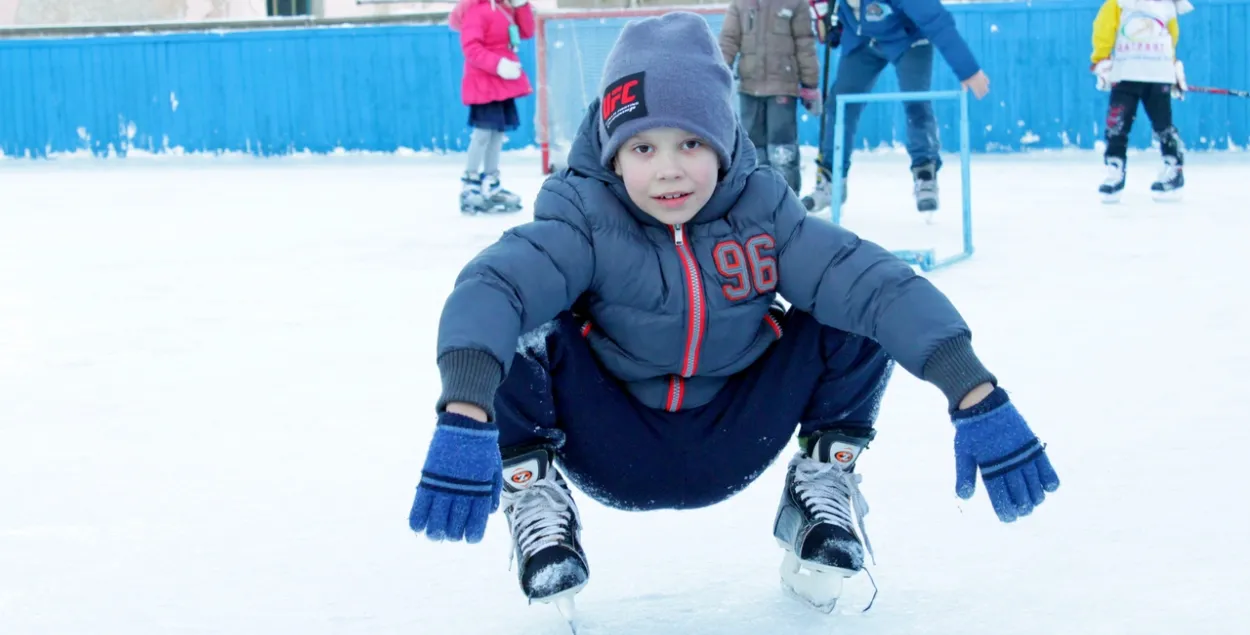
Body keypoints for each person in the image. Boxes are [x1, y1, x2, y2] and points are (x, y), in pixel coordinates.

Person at [408, 11, 1059, 612]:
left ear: (722, 140)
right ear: (612, 151)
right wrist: (466, 407)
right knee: (525, 309)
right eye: (642, 148)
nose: (668, 170)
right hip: (609, 439)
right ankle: (532, 487)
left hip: (736, 429)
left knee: (852, 297)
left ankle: (822, 483)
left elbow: (878, 284)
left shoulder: (763, 212)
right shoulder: (583, 215)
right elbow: (495, 285)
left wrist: (973, 388)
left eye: (691, 143)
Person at [802, 0, 991, 214]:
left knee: (916, 100)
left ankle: (924, 173)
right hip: (863, 39)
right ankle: (831, 180)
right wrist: (836, 27)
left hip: (908, 39)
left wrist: (968, 69)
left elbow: (935, 19)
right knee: (839, 105)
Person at [718, 0, 823, 195]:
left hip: (782, 86)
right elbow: (728, 40)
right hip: (749, 87)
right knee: (752, 148)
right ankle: (756, 198)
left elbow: (804, 44)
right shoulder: (741, 4)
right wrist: (720, 72)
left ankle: (788, 199)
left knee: (782, 148)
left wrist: (810, 84)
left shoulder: (795, 4)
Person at [1091, 0, 1191, 202]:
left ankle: (1173, 168)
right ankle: (1114, 169)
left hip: (1158, 75)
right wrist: (1101, 58)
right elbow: (1103, 28)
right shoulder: (1119, 4)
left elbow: (1171, 38)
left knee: (1163, 125)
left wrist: (1173, 66)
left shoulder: (1168, 6)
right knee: (1117, 124)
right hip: (1126, 73)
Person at [449, 0, 534, 214]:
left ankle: (491, 181)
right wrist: (498, 64)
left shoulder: (506, 9)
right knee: (483, 133)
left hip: (501, 81)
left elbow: (526, 31)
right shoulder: (477, 11)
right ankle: (470, 184)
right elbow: (471, 47)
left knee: (497, 133)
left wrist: (522, 5)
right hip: (484, 81)